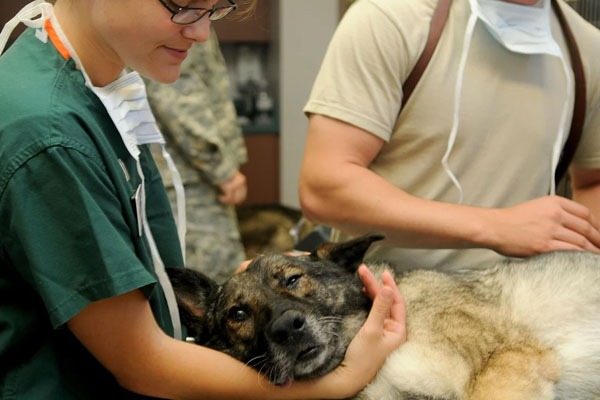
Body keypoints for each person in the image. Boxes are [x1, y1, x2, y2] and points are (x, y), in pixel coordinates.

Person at [0, 1, 406, 399]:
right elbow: (142, 362)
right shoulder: (50, 135)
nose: (200, 31)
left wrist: (254, 289)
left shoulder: (97, 91)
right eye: (181, 4)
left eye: (214, 10)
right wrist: (343, 380)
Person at [300, 0, 600, 272]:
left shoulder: (588, 49)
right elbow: (324, 187)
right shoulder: (392, 18)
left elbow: (592, 180)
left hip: (524, 307)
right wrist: (497, 227)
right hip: (386, 306)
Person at [146, 27, 248, 283]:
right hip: (188, 180)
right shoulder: (182, 15)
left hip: (184, 176)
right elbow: (178, 99)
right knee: (211, 288)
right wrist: (222, 170)